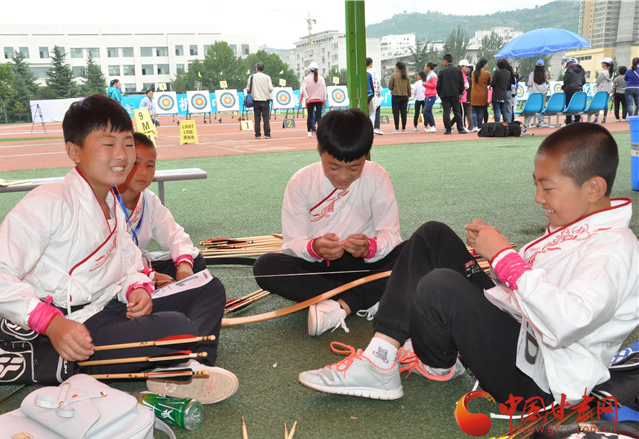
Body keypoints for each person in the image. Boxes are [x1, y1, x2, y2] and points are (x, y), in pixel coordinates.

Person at [299, 122, 638, 408]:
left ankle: (406, 361)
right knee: (434, 236)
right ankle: (383, 356)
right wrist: (503, 259)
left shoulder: (614, 248)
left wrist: (505, 258)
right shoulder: (585, 226)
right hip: (517, 327)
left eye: (547, 187)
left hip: (539, 379)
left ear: (594, 188)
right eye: (536, 184)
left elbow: (568, 321)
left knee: (440, 286)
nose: (538, 198)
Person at [0, 95, 238, 403]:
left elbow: (129, 263)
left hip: (113, 307)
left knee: (208, 286)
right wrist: (52, 324)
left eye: (126, 143)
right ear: (74, 151)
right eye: (108, 144)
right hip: (76, 328)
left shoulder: (110, 201)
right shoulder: (49, 201)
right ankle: (184, 361)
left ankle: (190, 368)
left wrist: (137, 288)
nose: (122, 155)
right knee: (178, 327)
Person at [252, 109, 405, 336]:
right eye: (333, 167)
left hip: (365, 265)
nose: (343, 176)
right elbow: (292, 244)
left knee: (413, 250)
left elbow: (391, 235)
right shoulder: (301, 181)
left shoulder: (377, 176)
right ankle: (368, 297)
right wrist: (315, 248)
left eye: (354, 167)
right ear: (319, 151)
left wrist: (370, 247)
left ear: (366, 155)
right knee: (265, 267)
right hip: (320, 270)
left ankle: (340, 303)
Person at [115, 132, 206, 282]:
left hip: (138, 266)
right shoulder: (104, 200)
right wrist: (152, 276)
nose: (144, 172)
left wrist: (184, 265)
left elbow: (174, 234)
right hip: (112, 274)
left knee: (195, 261)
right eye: (136, 163)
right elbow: (108, 260)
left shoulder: (147, 198)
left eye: (150, 165)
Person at [436, 53, 465, 135]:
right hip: (455, 94)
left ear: (445, 61)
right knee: (457, 111)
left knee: (446, 112)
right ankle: (460, 128)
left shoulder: (442, 71)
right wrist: (460, 92)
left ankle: (448, 129)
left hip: (445, 95)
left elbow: (438, 84)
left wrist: (439, 93)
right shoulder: (458, 70)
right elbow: (461, 83)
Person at [246, 62, 273, 139]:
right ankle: (267, 134)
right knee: (266, 118)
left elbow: (248, 88)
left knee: (257, 118)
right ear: (263, 69)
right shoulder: (267, 77)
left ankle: (257, 134)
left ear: (256, 69)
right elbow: (271, 89)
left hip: (256, 100)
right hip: (265, 100)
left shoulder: (251, 77)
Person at [302, 62, 326, 138]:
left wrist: (307, 98)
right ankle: (320, 132)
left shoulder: (306, 78)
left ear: (310, 70)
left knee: (310, 116)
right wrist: (324, 99)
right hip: (319, 100)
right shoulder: (321, 78)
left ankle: (309, 132)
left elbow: (303, 89)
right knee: (319, 116)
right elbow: (324, 89)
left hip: (310, 100)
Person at [388, 61, 412, 133]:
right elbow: (409, 87)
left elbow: (390, 86)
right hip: (404, 96)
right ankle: (404, 128)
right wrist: (409, 95)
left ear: (397, 67)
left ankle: (397, 129)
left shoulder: (393, 75)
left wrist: (393, 88)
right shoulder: (406, 76)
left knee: (396, 113)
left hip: (395, 95)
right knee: (403, 112)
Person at [562, 57, 586, 125]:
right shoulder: (582, 70)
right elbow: (583, 81)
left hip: (569, 91)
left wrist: (564, 87)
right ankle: (577, 122)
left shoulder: (569, 70)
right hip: (579, 90)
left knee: (569, 107)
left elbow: (566, 80)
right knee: (577, 107)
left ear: (569, 63)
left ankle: (568, 122)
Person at [525, 59, 548, 128]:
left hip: (534, 93)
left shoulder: (532, 74)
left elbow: (530, 83)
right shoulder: (545, 73)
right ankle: (540, 121)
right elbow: (546, 80)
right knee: (542, 106)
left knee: (531, 107)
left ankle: (527, 122)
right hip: (543, 92)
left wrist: (527, 84)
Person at [470, 58, 491, 131]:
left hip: (474, 94)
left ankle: (475, 126)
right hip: (483, 94)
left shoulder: (473, 73)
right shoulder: (487, 73)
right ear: (485, 64)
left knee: (474, 111)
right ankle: (479, 126)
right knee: (481, 111)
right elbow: (489, 83)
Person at [490, 58, 511, 123]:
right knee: (504, 111)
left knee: (497, 111)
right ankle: (506, 124)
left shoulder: (496, 72)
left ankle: (497, 124)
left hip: (496, 94)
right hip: (504, 94)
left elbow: (493, 83)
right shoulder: (508, 73)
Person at [367, 57, 384, 135]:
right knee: (374, 112)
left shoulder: (362, 72)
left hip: (364, 95)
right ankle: (375, 128)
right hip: (372, 94)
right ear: (371, 63)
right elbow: (377, 82)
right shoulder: (373, 71)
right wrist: (378, 91)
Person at [594, 58, 614, 123]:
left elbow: (598, 81)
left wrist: (597, 85)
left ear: (605, 64)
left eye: (602, 63)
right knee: (605, 104)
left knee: (597, 104)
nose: (601, 64)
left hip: (601, 91)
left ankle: (596, 118)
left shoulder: (603, 73)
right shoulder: (612, 73)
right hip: (607, 90)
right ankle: (604, 118)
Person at [423, 62, 438, 132]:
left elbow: (435, 85)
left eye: (425, 66)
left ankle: (432, 125)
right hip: (428, 95)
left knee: (426, 111)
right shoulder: (429, 75)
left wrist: (426, 84)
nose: (424, 68)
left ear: (429, 67)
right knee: (428, 111)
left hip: (431, 95)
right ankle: (433, 126)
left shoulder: (433, 75)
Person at [459, 59, 473, 132]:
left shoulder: (463, 74)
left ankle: (462, 126)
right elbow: (466, 85)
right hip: (461, 96)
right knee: (462, 113)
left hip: (463, 96)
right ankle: (462, 126)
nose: (467, 68)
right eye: (466, 66)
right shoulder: (461, 74)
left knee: (461, 112)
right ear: (462, 67)